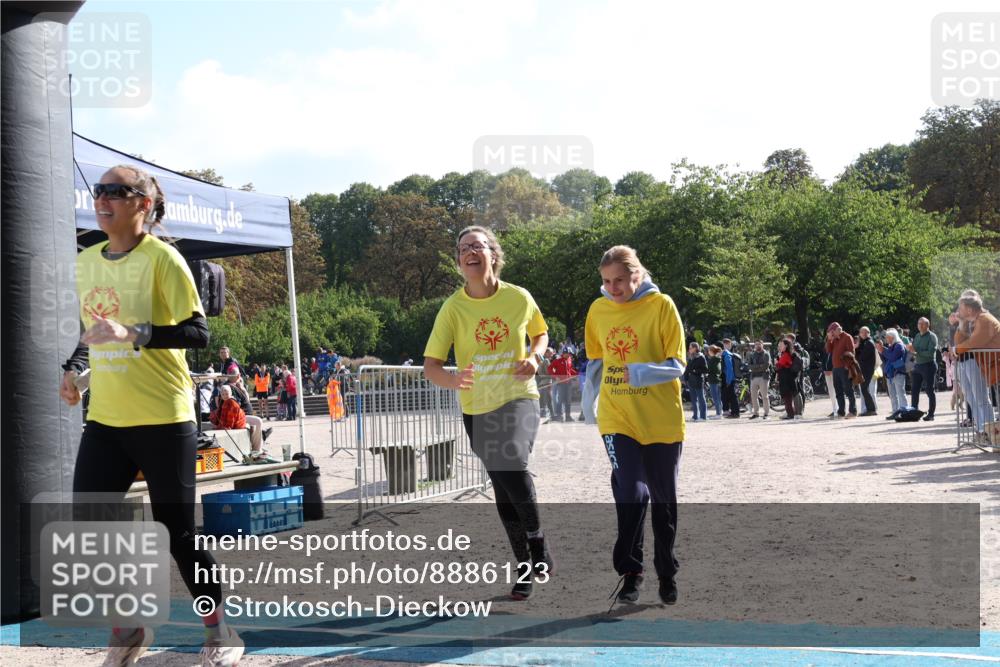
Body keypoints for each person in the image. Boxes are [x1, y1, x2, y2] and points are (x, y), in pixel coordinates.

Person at [58, 164, 243, 665]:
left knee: (177, 535)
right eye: (99, 190)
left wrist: (134, 332)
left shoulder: (164, 258)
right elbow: (91, 333)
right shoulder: (86, 261)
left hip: (164, 417)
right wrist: (73, 371)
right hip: (107, 420)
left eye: (115, 191)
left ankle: (220, 632)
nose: (102, 198)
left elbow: (197, 333)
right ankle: (128, 629)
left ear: (143, 204)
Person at [423, 225, 553, 600]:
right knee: (503, 487)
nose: (470, 252)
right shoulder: (453, 308)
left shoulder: (518, 297)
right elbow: (431, 366)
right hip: (477, 408)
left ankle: (538, 542)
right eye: (463, 248)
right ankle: (525, 566)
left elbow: (540, 333)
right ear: (459, 261)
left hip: (518, 396)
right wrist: (454, 379)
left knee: (512, 461)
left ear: (493, 254)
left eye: (477, 246)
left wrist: (535, 357)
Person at [582, 245, 685, 608]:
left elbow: (677, 364)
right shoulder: (598, 310)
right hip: (617, 416)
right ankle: (631, 571)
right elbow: (596, 360)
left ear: (637, 275)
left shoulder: (662, 306)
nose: (613, 288)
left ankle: (667, 572)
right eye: (606, 281)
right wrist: (588, 399)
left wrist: (640, 372)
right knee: (630, 489)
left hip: (661, 420)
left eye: (620, 281)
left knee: (663, 501)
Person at [954, 291, 1000, 443]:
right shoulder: (975, 320)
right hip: (987, 366)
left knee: (982, 400)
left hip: (992, 366)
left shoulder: (984, 320)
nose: (958, 311)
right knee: (975, 399)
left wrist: (956, 350)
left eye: (960, 308)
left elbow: (971, 344)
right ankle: (984, 433)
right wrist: (961, 324)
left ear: (969, 309)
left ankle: (990, 435)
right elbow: (960, 342)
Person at [908, 317, 939, 421]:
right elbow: (914, 350)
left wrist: (916, 352)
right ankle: (914, 412)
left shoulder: (932, 336)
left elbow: (930, 353)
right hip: (917, 365)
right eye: (919, 323)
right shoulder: (917, 336)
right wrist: (911, 350)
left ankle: (931, 414)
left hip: (928, 365)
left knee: (929, 390)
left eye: (922, 324)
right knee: (914, 390)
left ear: (927, 325)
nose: (920, 326)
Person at [824, 322, 857, 419]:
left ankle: (853, 411)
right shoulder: (834, 339)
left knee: (848, 390)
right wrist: (829, 340)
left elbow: (852, 352)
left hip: (844, 368)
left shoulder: (847, 337)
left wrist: (847, 365)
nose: (831, 334)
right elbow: (828, 350)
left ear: (837, 330)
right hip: (836, 368)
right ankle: (841, 412)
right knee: (838, 391)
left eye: (832, 332)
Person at [877, 328, 909, 418]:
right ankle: (895, 413)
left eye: (888, 337)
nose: (886, 339)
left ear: (892, 337)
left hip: (898, 373)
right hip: (890, 374)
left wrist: (883, 350)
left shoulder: (899, 345)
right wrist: (881, 351)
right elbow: (886, 360)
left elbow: (893, 357)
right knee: (892, 395)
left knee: (900, 393)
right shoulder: (891, 346)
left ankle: (905, 412)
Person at [546, 349, 577, 423]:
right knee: (560, 400)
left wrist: (576, 374)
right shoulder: (557, 360)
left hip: (568, 383)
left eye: (570, 354)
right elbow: (549, 368)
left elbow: (569, 369)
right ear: (564, 354)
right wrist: (555, 376)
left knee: (568, 400)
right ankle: (559, 416)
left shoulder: (569, 359)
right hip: (561, 383)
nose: (569, 355)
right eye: (568, 354)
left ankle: (568, 416)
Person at [774, 339, 801, 420]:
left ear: (786, 346)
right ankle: (792, 413)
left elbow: (779, 365)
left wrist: (776, 362)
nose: (780, 347)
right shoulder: (787, 354)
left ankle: (791, 413)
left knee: (787, 397)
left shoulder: (785, 355)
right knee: (789, 397)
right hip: (789, 378)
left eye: (781, 345)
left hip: (786, 379)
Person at [856, 327, 878, 416]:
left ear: (868, 333)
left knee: (864, 388)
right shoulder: (864, 342)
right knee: (864, 389)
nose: (863, 334)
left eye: (865, 333)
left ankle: (871, 409)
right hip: (864, 369)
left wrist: (856, 349)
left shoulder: (869, 343)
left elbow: (861, 357)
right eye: (861, 333)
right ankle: (870, 409)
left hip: (867, 370)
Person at [747, 340, 771, 420]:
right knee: (753, 396)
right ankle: (756, 413)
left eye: (759, 344)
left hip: (763, 377)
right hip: (753, 377)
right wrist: (759, 366)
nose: (757, 346)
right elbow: (749, 366)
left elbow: (766, 366)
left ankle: (766, 414)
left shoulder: (766, 354)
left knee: (765, 396)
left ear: (762, 344)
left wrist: (755, 367)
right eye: (756, 344)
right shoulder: (752, 354)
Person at [684, 342, 708, 421]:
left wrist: (695, 371)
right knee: (693, 400)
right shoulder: (690, 357)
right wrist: (686, 379)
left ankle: (703, 416)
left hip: (698, 380)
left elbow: (705, 370)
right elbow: (687, 369)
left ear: (695, 348)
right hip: (691, 381)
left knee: (701, 398)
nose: (689, 349)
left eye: (690, 348)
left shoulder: (701, 357)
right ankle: (695, 416)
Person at [721, 338, 739, 418]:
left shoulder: (726, 355)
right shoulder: (727, 354)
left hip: (728, 378)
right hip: (729, 378)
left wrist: (728, 380)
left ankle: (735, 413)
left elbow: (729, 369)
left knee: (732, 396)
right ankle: (733, 412)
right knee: (730, 396)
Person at [536, 348, 555, 419]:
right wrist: (554, 371)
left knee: (545, 399)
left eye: (552, 353)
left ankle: (549, 414)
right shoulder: (546, 361)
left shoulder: (540, 362)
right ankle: (552, 415)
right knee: (549, 399)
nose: (551, 354)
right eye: (550, 353)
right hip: (547, 382)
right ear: (546, 353)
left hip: (542, 383)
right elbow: (549, 372)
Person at [705, 344, 723, 419]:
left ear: (711, 351)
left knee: (715, 397)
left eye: (709, 350)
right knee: (718, 397)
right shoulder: (718, 359)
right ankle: (720, 412)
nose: (708, 352)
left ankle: (718, 413)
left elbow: (709, 369)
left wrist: (706, 371)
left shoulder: (713, 360)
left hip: (713, 380)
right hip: (717, 380)